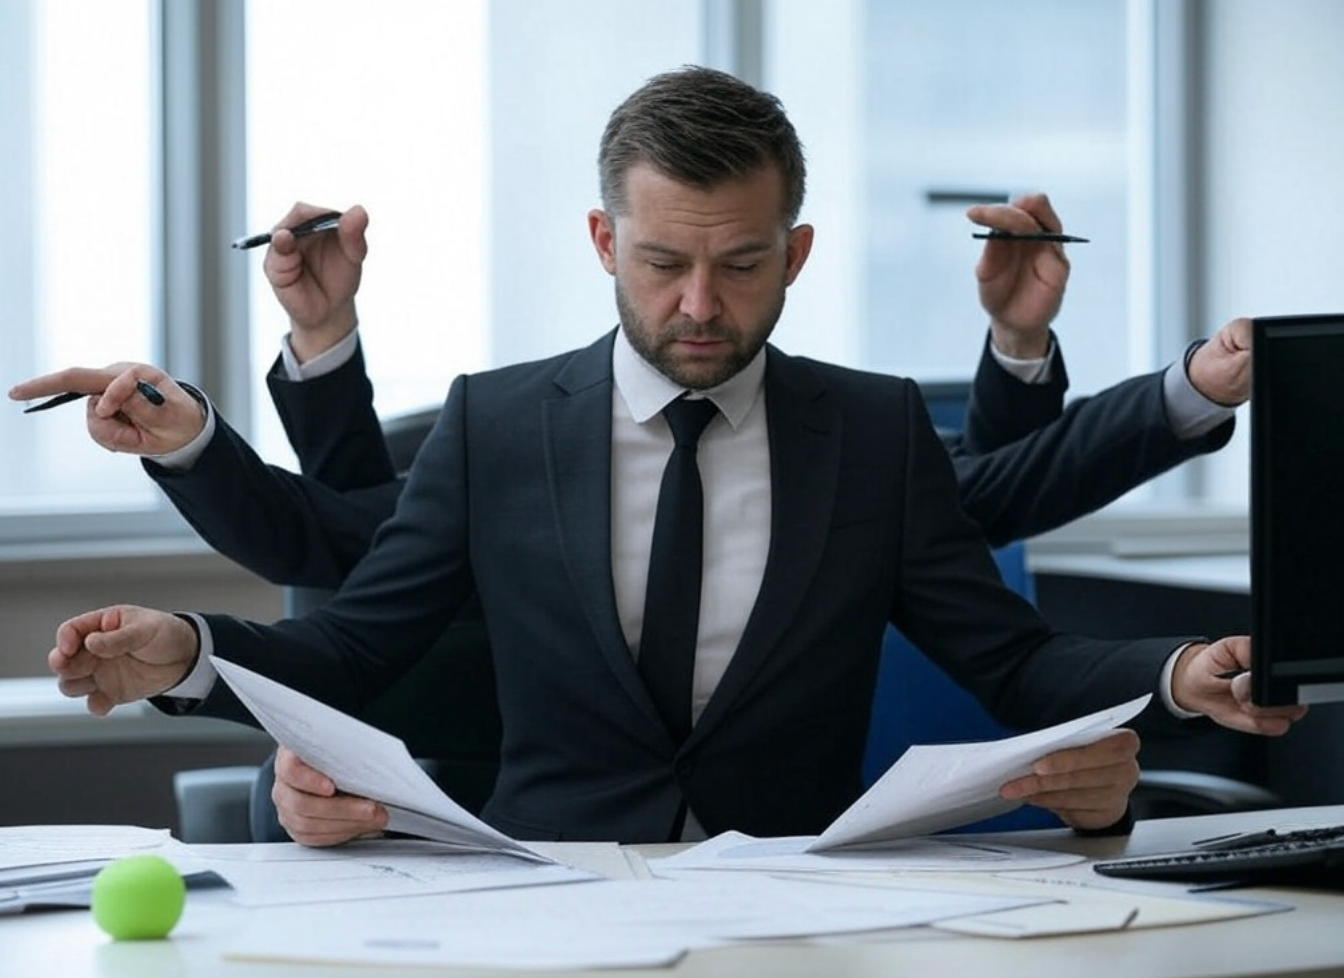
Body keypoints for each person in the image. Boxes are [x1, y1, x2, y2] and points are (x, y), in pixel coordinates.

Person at [41, 67, 1301, 849]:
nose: (700, 304)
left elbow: (1011, 660)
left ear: (795, 254)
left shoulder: (870, 434)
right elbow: (354, 647)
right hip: (544, 897)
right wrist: (187, 650)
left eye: (742, 264)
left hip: (806, 902)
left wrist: (1177, 671)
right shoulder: (497, 425)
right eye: (662, 261)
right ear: (604, 241)